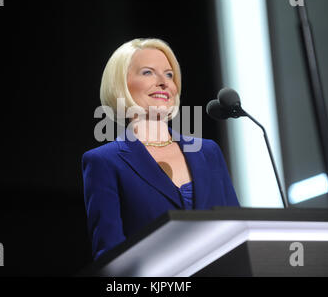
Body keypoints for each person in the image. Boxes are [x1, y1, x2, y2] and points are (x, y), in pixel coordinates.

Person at [82, 38, 239, 260]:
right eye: (148, 73)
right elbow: (110, 256)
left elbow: (237, 232)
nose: (164, 82)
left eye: (169, 74)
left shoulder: (208, 152)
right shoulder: (104, 162)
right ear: (121, 84)